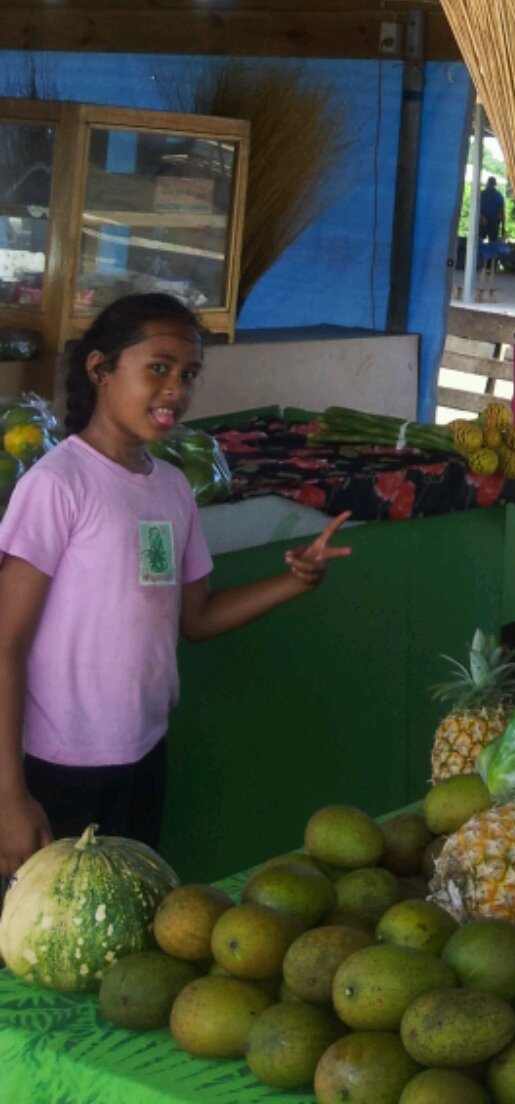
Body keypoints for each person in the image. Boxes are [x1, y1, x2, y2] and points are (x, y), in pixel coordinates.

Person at [0, 294, 352, 874]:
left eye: (188, 375)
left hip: (144, 753)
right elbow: (6, 642)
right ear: (100, 369)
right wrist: (9, 794)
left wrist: (294, 581)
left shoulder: (170, 487)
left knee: (131, 916)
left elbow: (197, 616)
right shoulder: (58, 484)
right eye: (158, 368)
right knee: (49, 926)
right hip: (57, 766)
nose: (175, 390)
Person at [477, 175, 504, 270]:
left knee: (479, 240)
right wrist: (503, 225)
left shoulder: (482, 194)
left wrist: (482, 217)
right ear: (495, 184)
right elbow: (502, 211)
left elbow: (477, 207)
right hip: (494, 221)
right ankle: (491, 265)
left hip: (484, 221)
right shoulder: (498, 195)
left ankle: (480, 263)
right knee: (493, 243)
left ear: (488, 183)